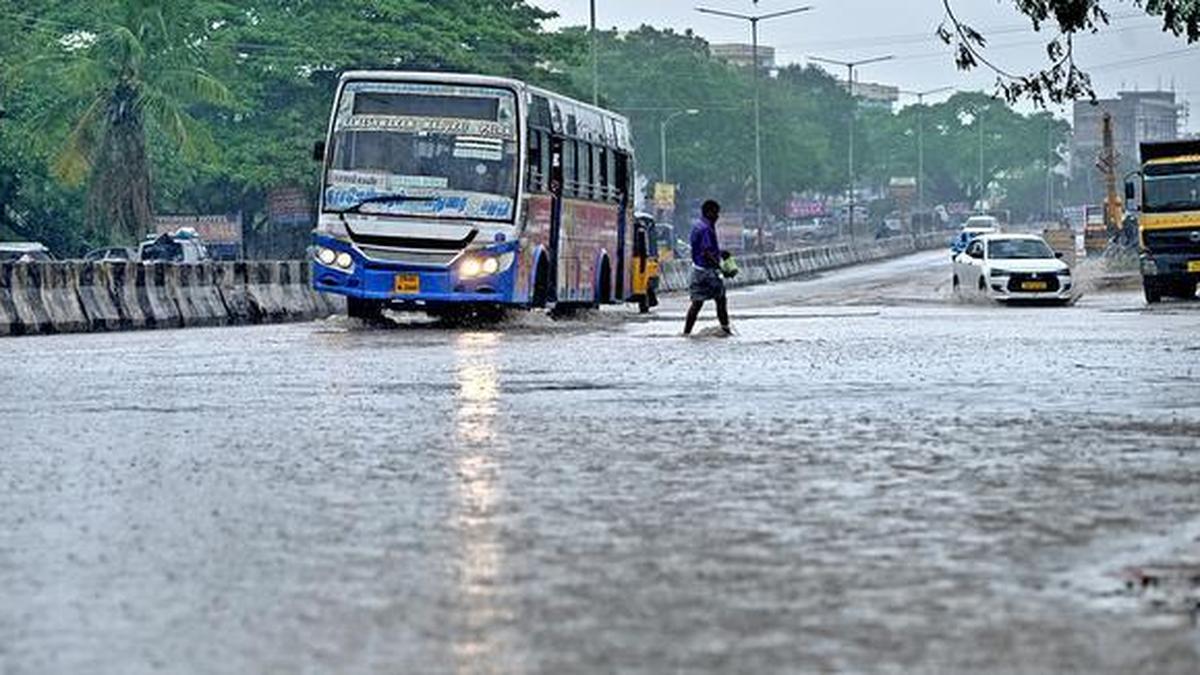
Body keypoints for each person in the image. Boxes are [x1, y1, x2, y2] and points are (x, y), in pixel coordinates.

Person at [683, 200, 732, 336]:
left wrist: (720, 253)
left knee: (697, 303)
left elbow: (702, 250)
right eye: (716, 213)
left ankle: (686, 333)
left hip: (697, 271)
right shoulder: (706, 229)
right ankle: (726, 329)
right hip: (708, 272)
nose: (717, 216)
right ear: (709, 212)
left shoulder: (697, 226)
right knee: (721, 300)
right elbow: (706, 252)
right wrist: (721, 268)